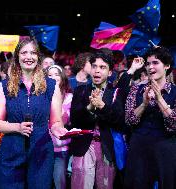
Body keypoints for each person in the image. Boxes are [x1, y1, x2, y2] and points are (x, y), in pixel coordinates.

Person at [0, 38, 67, 189]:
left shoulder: (51, 86)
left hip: (41, 151)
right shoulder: (5, 86)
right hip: (11, 150)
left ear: (38, 57)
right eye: (24, 52)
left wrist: (59, 129)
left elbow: (56, 122)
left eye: (33, 53)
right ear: (17, 57)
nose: (29, 56)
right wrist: (17, 127)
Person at [70, 49, 124, 189]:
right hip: (84, 146)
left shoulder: (116, 92)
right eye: (94, 66)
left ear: (110, 72)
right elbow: (74, 120)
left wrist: (101, 106)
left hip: (107, 148)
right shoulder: (81, 90)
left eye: (102, 67)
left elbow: (119, 120)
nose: (97, 71)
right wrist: (89, 107)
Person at [124, 47, 176, 189]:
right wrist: (144, 103)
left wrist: (159, 99)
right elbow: (129, 120)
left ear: (167, 66)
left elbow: (174, 124)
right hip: (139, 147)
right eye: (147, 64)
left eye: (155, 62)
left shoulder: (175, 91)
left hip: (166, 148)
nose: (150, 67)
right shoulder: (136, 89)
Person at [47, 65, 73, 189]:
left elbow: (66, 119)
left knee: (59, 183)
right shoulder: (40, 97)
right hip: (43, 147)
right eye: (49, 75)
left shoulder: (69, 98)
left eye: (56, 74)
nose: (53, 77)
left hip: (60, 148)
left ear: (62, 77)